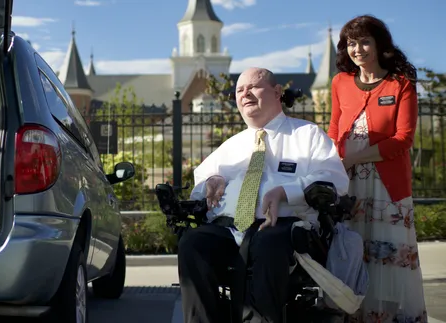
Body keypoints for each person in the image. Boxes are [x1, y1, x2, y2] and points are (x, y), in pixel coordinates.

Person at [177, 67, 350, 323]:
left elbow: (334, 179)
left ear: (277, 92)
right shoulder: (231, 145)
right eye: (239, 90)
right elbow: (201, 182)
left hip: (282, 227)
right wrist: (210, 181)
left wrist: (285, 192)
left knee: (268, 243)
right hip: (231, 229)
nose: (245, 93)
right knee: (193, 243)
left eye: (253, 87)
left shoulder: (306, 135)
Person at [327, 15, 427, 322]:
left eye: (365, 41)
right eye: (351, 43)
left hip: (387, 187)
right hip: (349, 183)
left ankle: (387, 316)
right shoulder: (340, 83)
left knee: (388, 256)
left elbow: (403, 139)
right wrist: (331, 167)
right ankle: (354, 313)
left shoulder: (401, 85)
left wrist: (355, 158)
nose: (358, 49)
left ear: (380, 45)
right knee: (353, 249)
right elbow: (333, 131)